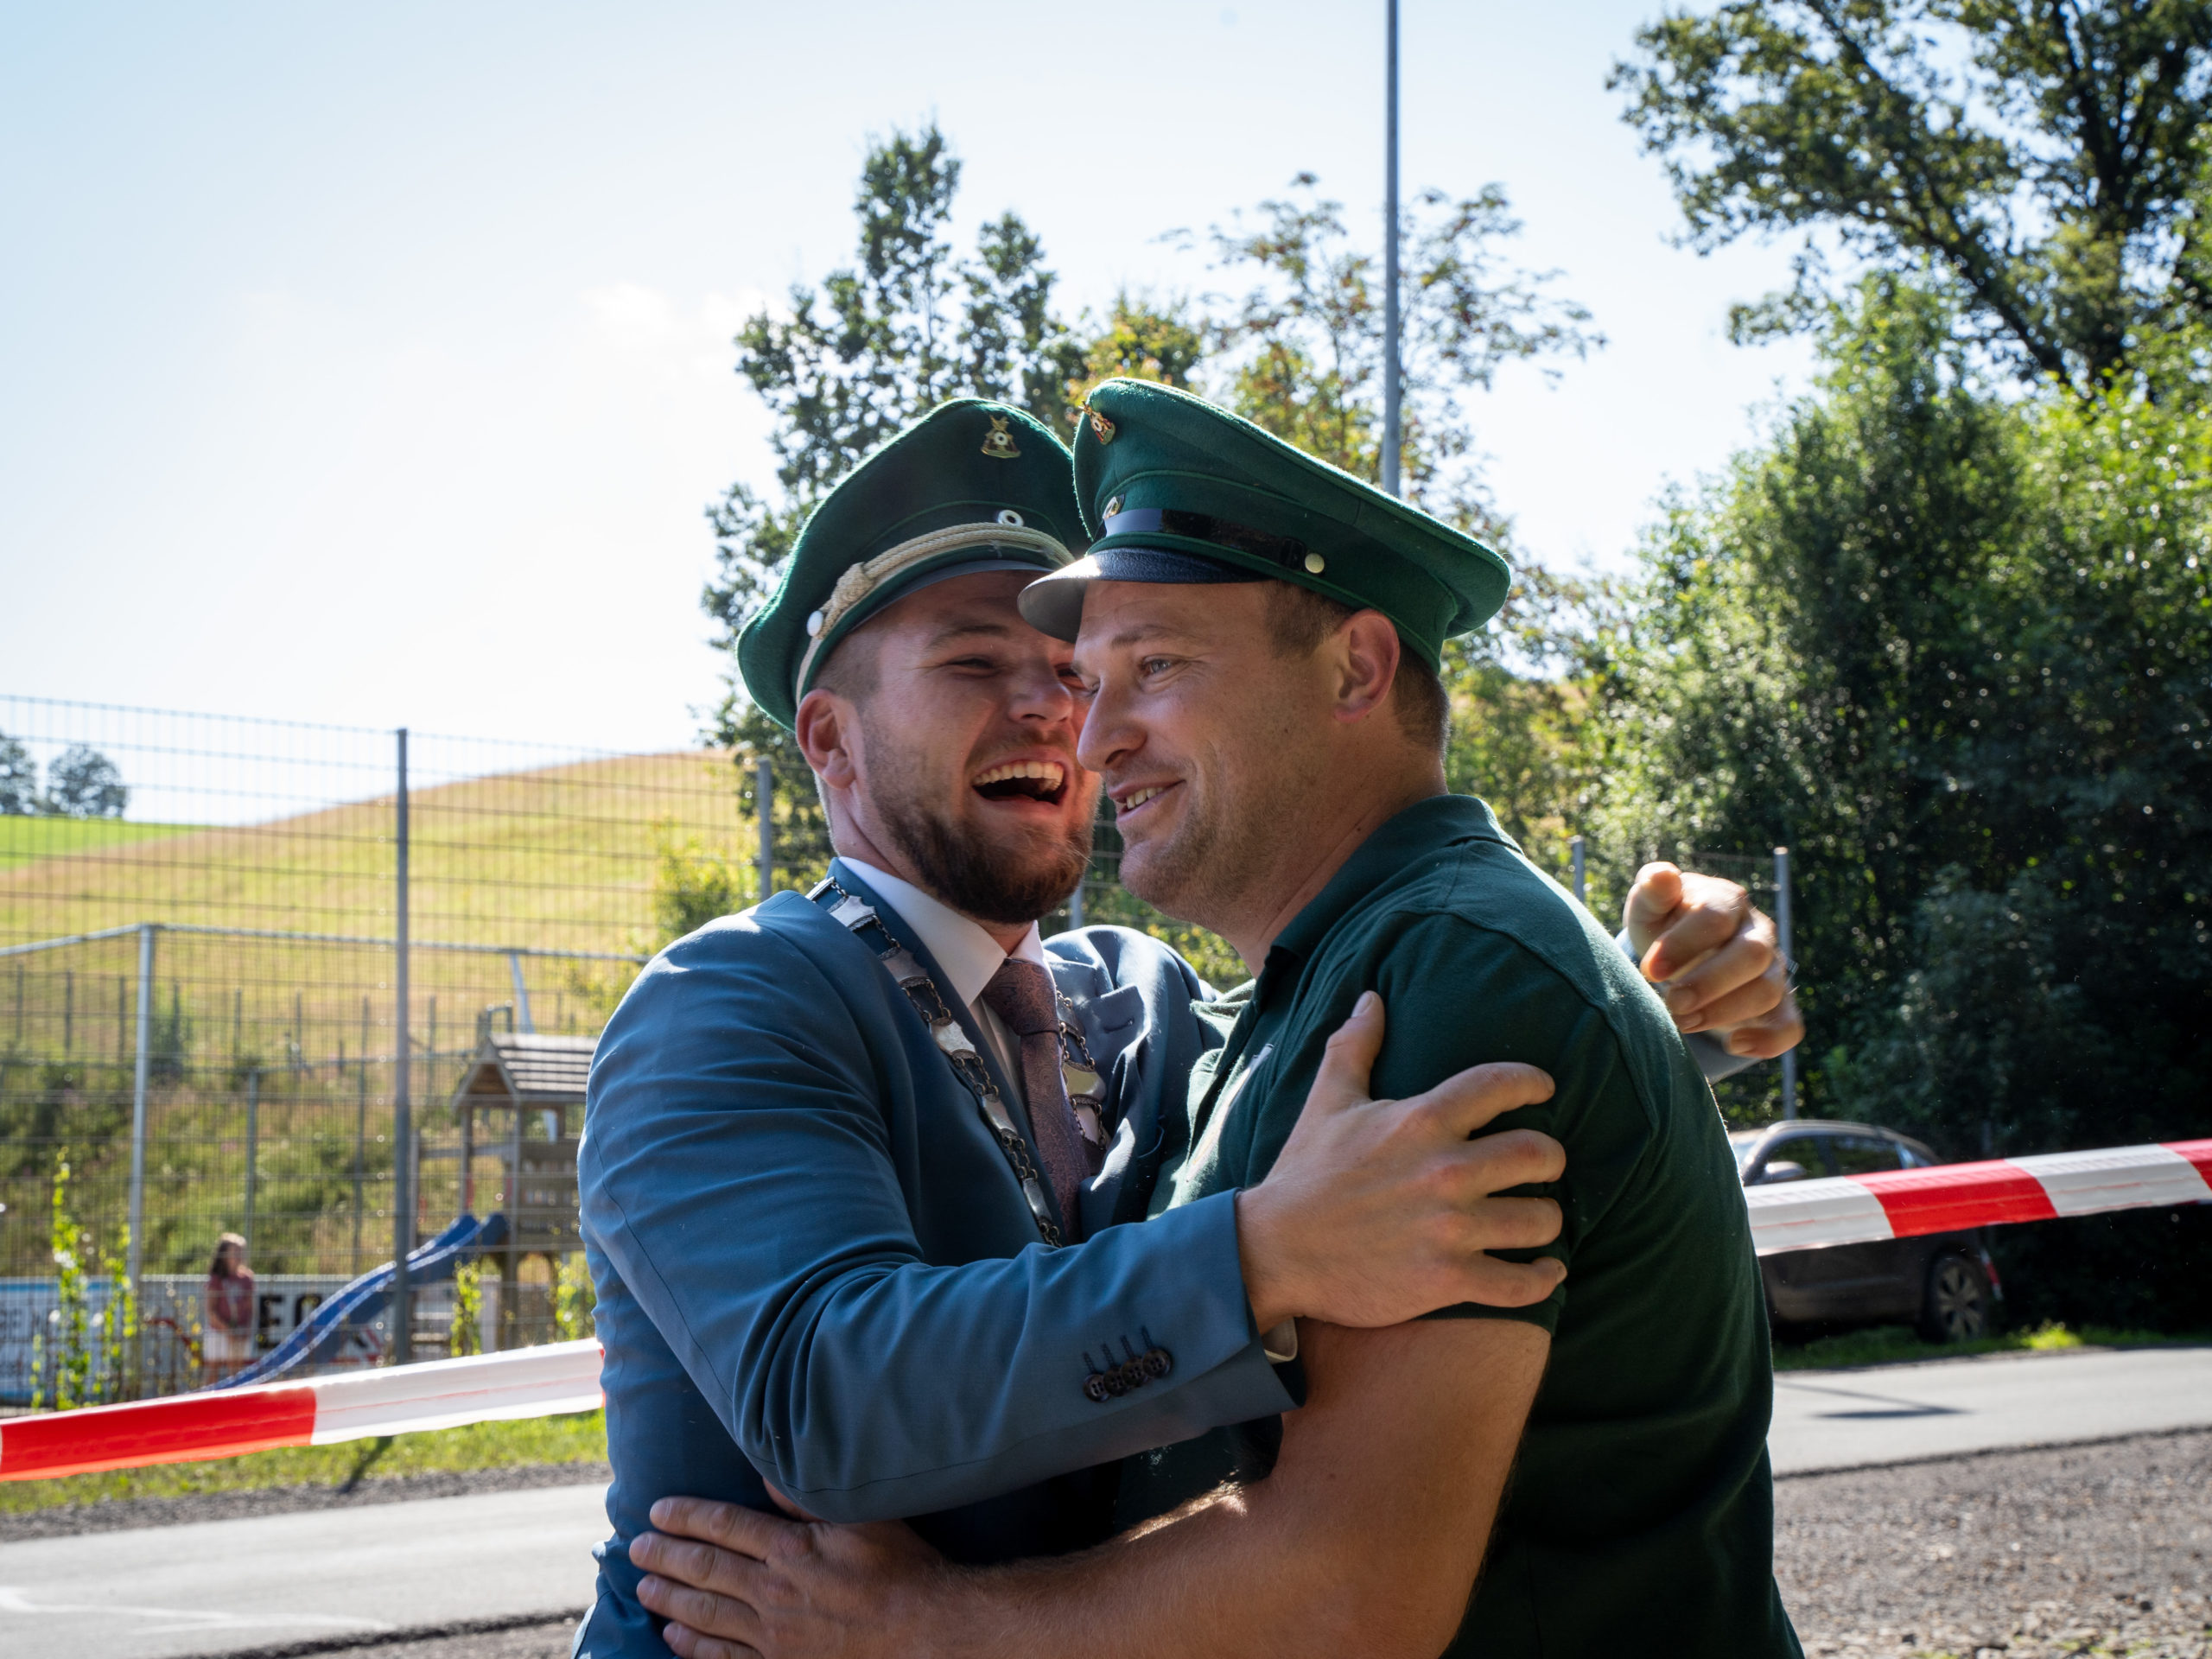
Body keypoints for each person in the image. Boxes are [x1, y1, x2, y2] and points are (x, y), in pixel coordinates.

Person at [627, 379, 1802, 1657]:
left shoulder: (1138, 997)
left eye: (1109, 672)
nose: (1071, 721)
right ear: (829, 742)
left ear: (1357, 670)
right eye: (973, 663)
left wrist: (1637, 1007)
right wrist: (1263, 1255)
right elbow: (821, 1395)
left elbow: (1418, 1036)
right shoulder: (728, 1000)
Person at [201, 1233, 255, 1382]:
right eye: (235, 1252)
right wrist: (227, 1331)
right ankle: (209, 1397)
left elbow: (250, 1309)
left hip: (239, 1331)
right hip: (218, 1332)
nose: (239, 1256)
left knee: (236, 1373)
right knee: (213, 1371)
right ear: (224, 1255)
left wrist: (245, 1330)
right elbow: (210, 1312)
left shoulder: (247, 1279)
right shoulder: (216, 1280)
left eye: (241, 1252)